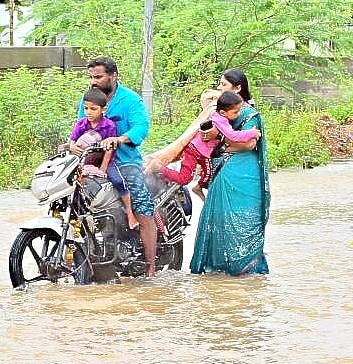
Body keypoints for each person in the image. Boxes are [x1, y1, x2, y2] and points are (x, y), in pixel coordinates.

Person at [74, 57, 158, 277]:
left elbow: (141, 127)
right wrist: (71, 145)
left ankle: (150, 265)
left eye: (98, 77)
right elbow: (79, 128)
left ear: (113, 76)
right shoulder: (88, 99)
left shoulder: (130, 100)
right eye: (91, 77)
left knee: (141, 203)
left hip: (124, 160)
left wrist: (120, 139)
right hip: (93, 160)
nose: (93, 81)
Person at [190, 69, 270, 276]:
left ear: (238, 88)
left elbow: (250, 144)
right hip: (224, 170)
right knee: (220, 218)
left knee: (243, 218)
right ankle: (221, 268)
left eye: (223, 85)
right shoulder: (220, 113)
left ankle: (245, 269)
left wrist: (223, 145)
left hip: (242, 172)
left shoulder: (249, 114)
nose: (219, 89)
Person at [160, 91, 262, 202]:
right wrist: (252, 133)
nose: (238, 115)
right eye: (236, 112)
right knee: (186, 178)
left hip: (200, 152)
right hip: (195, 151)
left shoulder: (216, 114)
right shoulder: (220, 120)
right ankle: (160, 170)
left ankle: (196, 186)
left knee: (208, 174)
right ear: (223, 112)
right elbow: (233, 136)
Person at [68, 87, 138, 230]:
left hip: (106, 161)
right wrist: (72, 147)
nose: (88, 112)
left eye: (93, 109)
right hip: (84, 162)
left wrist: (103, 169)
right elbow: (72, 141)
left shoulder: (109, 126)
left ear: (103, 109)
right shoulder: (81, 124)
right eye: (86, 108)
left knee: (118, 181)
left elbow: (109, 149)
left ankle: (130, 214)